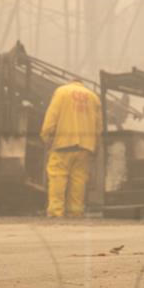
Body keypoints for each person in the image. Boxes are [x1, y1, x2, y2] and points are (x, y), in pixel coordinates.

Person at [39, 80, 102, 217]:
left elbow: (51, 117)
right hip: (86, 146)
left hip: (64, 143)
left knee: (58, 176)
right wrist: (95, 146)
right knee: (79, 179)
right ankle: (75, 212)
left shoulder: (62, 92)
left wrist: (46, 136)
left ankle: (56, 212)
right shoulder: (93, 97)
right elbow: (99, 127)